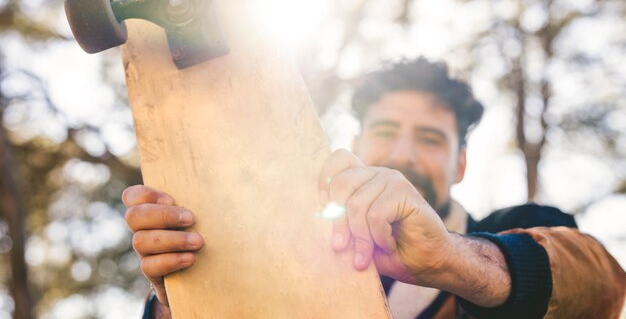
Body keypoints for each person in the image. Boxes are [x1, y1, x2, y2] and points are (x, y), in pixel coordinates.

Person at [123, 57, 626, 319]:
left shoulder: (520, 228)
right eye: (386, 133)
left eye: (430, 138)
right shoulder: (298, 267)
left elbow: (599, 291)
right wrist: (186, 298)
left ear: (461, 164)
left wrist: (452, 259)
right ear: (356, 144)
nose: (404, 154)